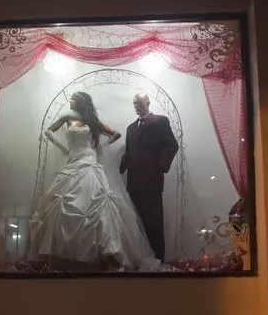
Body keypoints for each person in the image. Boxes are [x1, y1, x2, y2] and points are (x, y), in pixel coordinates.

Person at [30, 91, 157, 270]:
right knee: (63, 204)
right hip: (73, 162)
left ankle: (104, 255)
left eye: (73, 99)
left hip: (89, 162)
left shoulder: (93, 121)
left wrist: (98, 147)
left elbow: (116, 134)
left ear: (81, 102)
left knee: (97, 206)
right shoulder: (67, 117)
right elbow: (48, 131)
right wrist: (63, 148)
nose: (70, 101)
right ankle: (63, 258)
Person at [120, 93, 179, 262]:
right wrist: (122, 166)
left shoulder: (160, 121)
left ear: (148, 102)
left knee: (154, 222)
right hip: (134, 181)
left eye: (139, 102)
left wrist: (160, 166)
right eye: (134, 103)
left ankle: (159, 260)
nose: (136, 106)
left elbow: (171, 145)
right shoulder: (130, 128)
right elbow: (129, 151)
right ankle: (142, 260)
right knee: (136, 223)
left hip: (152, 180)